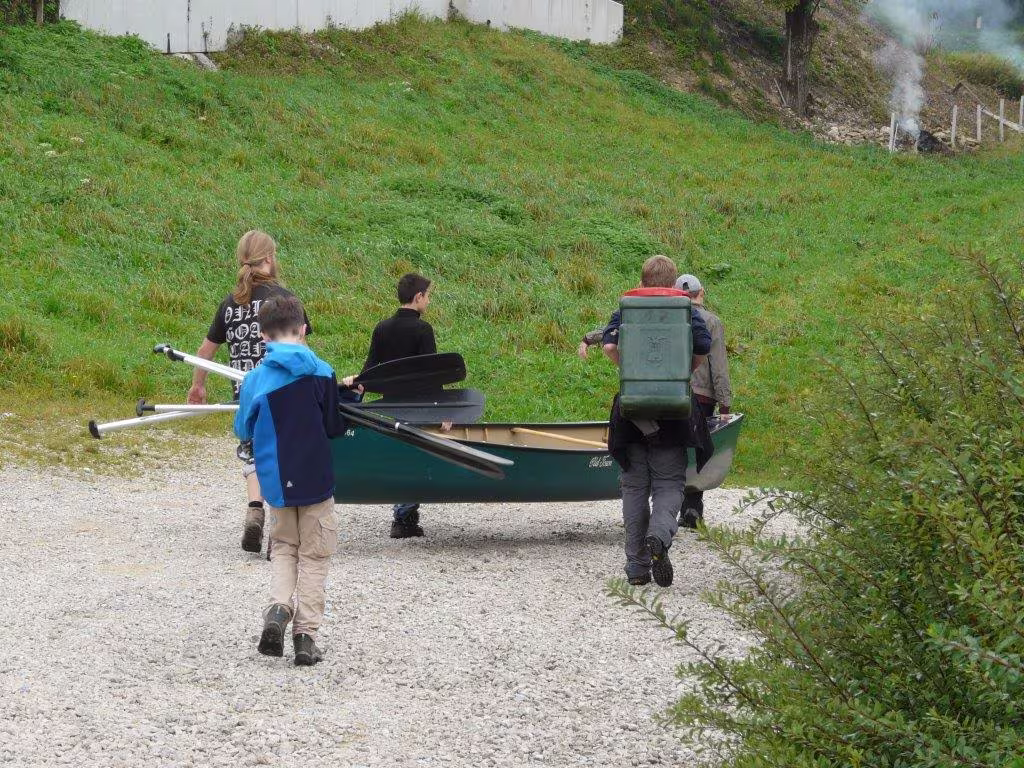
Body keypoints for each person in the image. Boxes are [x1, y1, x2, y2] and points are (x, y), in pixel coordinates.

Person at [234, 295, 345, 666]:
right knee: (315, 555)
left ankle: (278, 609)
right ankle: (305, 636)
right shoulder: (323, 372)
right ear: (303, 330)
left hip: (278, 482)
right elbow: (333, 427)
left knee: (284, 548)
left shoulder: (255, 380)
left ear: (263, 336)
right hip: (316, 479)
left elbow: (242, 429)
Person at [187, 230, 312, 554]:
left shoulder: (230, 304)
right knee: (283, 455)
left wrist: (198, 384)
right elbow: (300, 348)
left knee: (255, 453)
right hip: (282, 392)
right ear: (269, 258)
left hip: (245, 392)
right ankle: (278, 531)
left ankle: (254, 507)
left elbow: (206, 350)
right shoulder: (285, 300)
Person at [602, 255, 711, 588]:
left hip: (633, 413)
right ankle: (659, 539)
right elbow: (703, 349)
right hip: (673, 414)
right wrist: (681, 373)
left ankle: (636, 569)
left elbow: (608, 345)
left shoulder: (625, 310)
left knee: (634, 488)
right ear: (674, 282)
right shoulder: (688, 313)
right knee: (668, 486)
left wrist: (629, 368)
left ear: (643, 281)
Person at [342, 273, 449, 539]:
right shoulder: (423, 330)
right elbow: (430, 374)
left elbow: (371, 369)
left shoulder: (382, 327)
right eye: (428, 296)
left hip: (389, 407)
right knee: (417, 457)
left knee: (402, 456)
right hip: (417, 406)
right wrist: (445, 410)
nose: (429, 301)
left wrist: (355, 383)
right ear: (418, 297)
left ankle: (404, 516)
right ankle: (404, 517)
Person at [674, 274, 732, 529]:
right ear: (702, 292)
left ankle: (669, 507)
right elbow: (718, 365)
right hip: (702, 396)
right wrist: (725, 402)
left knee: (673, 448)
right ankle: (692, 509)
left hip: (673, 392)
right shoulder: (712, 321)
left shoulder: (669, 316)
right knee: (698, 449)